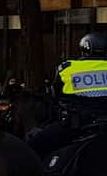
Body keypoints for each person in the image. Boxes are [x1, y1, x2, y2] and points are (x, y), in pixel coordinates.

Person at [27, 32, 107, 160]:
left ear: (84, 50)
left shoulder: (67, 68)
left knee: (34, 146)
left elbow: (55, 94)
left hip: (76, 126)